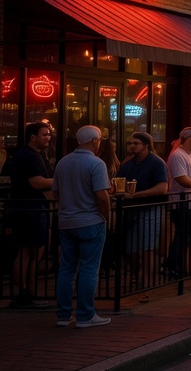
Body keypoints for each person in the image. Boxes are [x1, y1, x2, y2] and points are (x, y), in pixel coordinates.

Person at [53, 125, 112, 327]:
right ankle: (86, 314)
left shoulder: (63, 162)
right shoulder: (96, 163)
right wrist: (106, 215)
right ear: (95, 141)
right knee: (88, 269)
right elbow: (102, 196)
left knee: (67, 268)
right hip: (90, 220)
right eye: (99, 140)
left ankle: (63, 315)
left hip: (66, 221)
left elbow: (56, 192)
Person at [4, 121, 54, 308]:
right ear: (33, 137)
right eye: (44, 134)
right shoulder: (27, 156)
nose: (48, 137)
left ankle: (29, 292)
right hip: (29, 209)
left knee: (35, 251)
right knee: (27, 251)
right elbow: (37, 182)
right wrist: (60, 180)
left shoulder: (35, 155)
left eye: (49, 134)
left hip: (34, 207)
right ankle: (21, 293)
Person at [114, 131, 168, 278]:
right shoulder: (127, 164)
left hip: (149, 208)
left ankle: (147, 281)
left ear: (146, 145)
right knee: (130, 249)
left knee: (147, 248)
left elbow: (162, 188)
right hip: (130, 211)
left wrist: (136, 195)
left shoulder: (157, 162)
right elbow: (117, 182)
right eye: (130, 143)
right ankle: (136, 278)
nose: (132, 146)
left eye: (136, 143)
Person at [164, 128, 191, 278]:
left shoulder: (190, 154)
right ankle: (172, 265)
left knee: (187, 235)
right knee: (183, 234)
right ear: (189, 138)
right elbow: (182, 179)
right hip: (182, 202)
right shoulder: (178, 155)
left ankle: (176, 265)